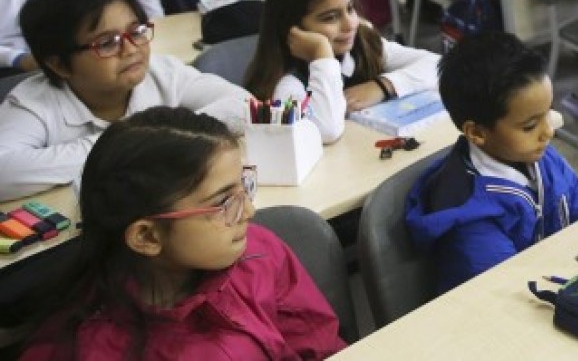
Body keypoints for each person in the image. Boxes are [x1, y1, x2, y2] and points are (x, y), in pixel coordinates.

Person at [19, 106, 346, 360]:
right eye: (223, 202)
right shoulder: (91, 341)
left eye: (243, 187)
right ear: (147, 237)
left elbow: (321, 347)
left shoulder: (261, 253)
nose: (248, 211)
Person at [0, 0, 245, 201]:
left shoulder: (163, 72)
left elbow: (242, 104)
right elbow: (3, 171)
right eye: (107, 43)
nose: (130, 49)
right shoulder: (32, 103)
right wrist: (130, 144)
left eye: (136, 31)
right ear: (60, 64)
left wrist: (159, 138)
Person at [404, 31, 578, 296]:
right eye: (530, 125)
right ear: (477, 133)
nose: (548, 132)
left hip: (564, 289)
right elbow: (507, 291)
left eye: (547, 114)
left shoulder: (540, 156)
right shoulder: (468, 217)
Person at [242, 0, 440, 144]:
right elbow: (327, 130)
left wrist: (382, 86)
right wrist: (322, 55)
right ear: (293, 29)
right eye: (330, 17)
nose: (351, 23)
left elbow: (437, 65)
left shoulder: (363, 44)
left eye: (350, 8)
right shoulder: (287, 83)